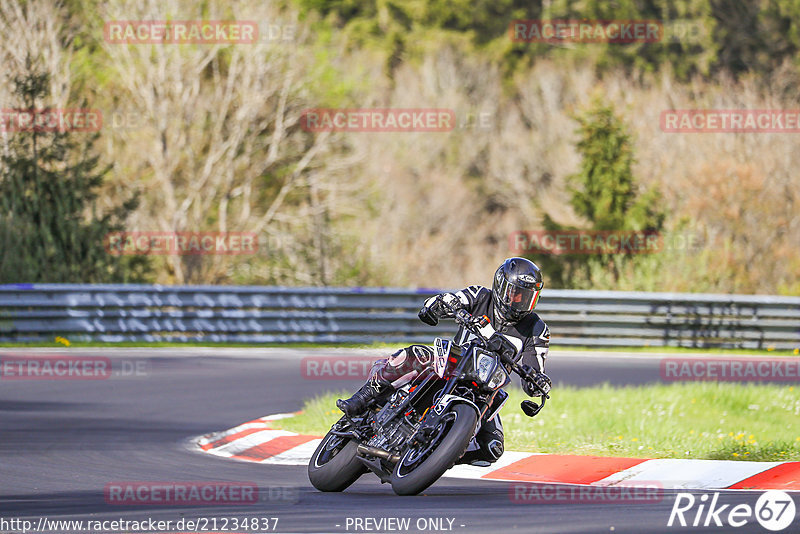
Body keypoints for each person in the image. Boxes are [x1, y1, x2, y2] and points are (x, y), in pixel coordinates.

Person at [337, 257, 552, 466]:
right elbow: (449, 299)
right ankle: (361, 398)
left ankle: (435, 457)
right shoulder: (480, 296)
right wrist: (442, 305)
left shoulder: (537, 329)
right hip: (454, 362)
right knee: (414, 356)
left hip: (487, 389)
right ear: (501, 286)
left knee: (492, 448)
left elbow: (534, 372)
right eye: (515, 294)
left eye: (527, 297)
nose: (520, 302)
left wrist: (539, 383)